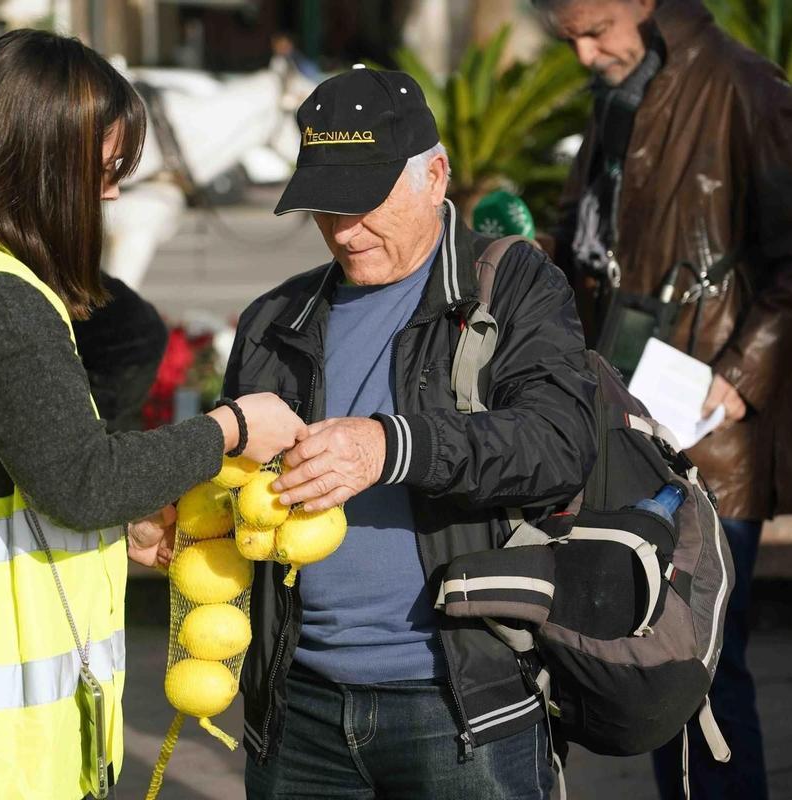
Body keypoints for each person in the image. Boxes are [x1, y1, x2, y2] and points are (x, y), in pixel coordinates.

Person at [0, 30, 305, 800]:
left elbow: (12, 471)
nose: (112, 194)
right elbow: (82, 480)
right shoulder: (1, 300)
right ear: (38, 161)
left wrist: (123, 525)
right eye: (105, 169)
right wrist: (232, 429)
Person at [223, 65, 598, 799]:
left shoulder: (510, 283)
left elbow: (559, 443)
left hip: (459, 706)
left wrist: (393, 446)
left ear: (435, 175)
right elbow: (238, 489)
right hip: (298, 711)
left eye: (366, 202)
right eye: (326, 207)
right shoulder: (274, 318)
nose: (344, 229)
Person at [539, 0, 792, 797]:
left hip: (705, 425)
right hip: (622, 412)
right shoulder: (620, 86)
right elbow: (588, 237)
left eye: (594, 30)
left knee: (699, 666)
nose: (582, 54)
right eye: (567, 36)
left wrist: (741, 377)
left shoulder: (746, 88)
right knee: (647, 654)